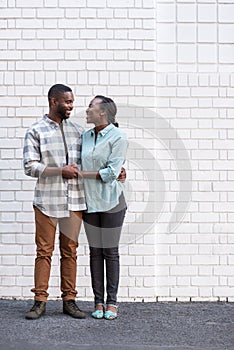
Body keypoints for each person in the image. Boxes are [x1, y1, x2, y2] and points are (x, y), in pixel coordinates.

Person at [23, 84, 87, 320]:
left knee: (70, 251)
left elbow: (90, 160)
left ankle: (69, 301)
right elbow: (30, 166)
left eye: (72, 102)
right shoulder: (36, 130)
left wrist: (115, 170)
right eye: (68, 102)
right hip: (46, 201)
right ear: (54, 101)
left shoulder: (78, 131)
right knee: (44, 251)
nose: (72, 106)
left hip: (74, 201)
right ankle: (39, 301)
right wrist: (60, 170)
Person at [78, 95, 128, 320]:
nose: (87, 109)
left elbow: (110, 174)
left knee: (110, 252)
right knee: (95, 252)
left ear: (103, 112)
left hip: (111, 203)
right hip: (89, 202)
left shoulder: (118, 137)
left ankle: (112, 302)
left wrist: (82, 175)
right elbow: (80, 162)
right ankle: (98, 301)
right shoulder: (85, 137)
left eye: (91, 106)